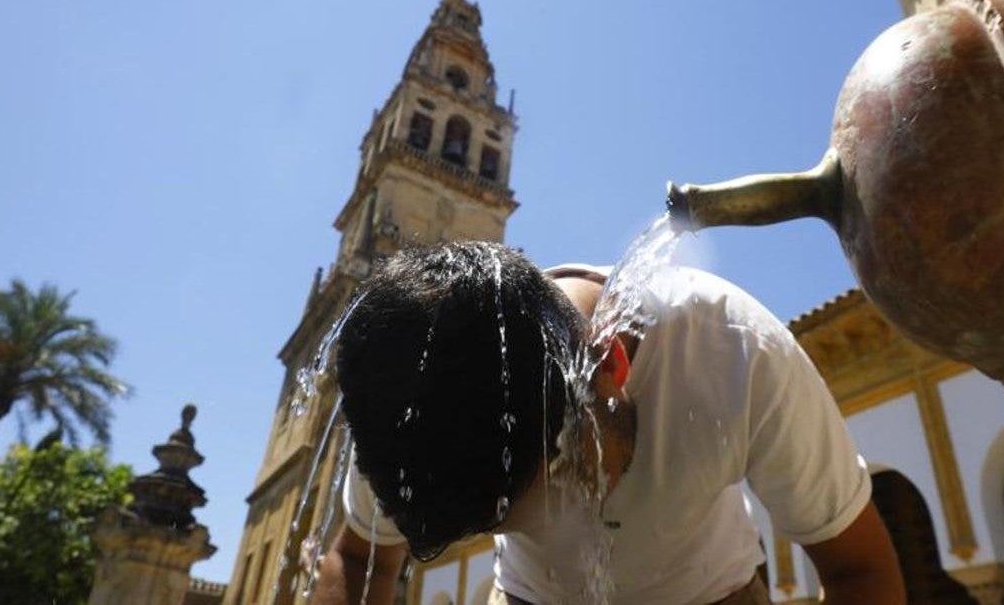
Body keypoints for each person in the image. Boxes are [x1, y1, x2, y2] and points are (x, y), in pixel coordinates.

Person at [315, 241, 904, 604]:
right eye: (513, 523)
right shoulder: (420, 405)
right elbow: (361, 559)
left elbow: (860, 571)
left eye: (569, 479)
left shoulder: (733, 351)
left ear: (612, 366)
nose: (564, 523)